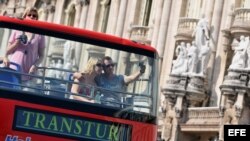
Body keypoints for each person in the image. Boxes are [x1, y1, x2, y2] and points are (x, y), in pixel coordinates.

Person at [4, 7, 45, 87]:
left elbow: (42, 55)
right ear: (25, 16)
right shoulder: (17, 29)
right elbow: (7, 51)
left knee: (26, 96)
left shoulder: (40, 34)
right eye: (29, 15)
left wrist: (35, 65)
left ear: (37, 18)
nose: (32, 17)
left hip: (30, 73)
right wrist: (16, 43)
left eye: (34, 16)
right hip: (14, 69)